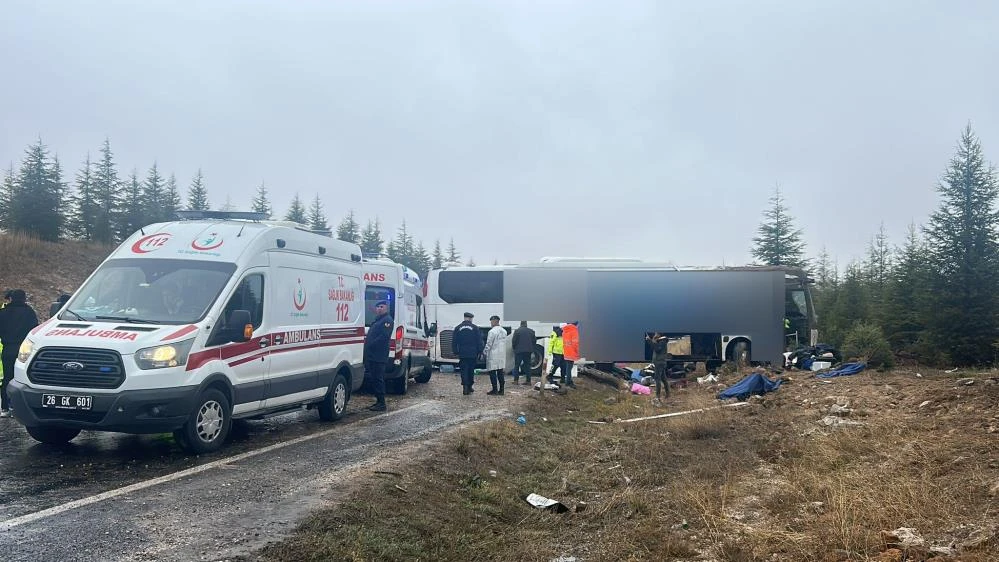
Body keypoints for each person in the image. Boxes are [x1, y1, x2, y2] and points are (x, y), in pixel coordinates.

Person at [0, 289, 38, 416]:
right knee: (23, 379)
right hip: (24, 351)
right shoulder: (29, 313)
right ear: (24, 299)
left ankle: (5, 408)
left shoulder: (2, 313)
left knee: (7, 378)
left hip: (8, 349)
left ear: (11, 299)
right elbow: (34, 332)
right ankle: (20, 408)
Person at [363, 300, 393, 411]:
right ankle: (378, 401)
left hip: (379, 355)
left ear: (386, 308)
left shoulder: (387, 321)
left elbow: (384, 337)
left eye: (382, 306)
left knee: (378, 378)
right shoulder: (377, 320)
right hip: (372, 355)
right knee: (374, 378)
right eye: (378, 307)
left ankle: (381, 403)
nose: (379, 308)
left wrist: (371, 344)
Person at [451, 312, 484, 395]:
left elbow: (454, 341)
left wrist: (455, 351)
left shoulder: (458, 328)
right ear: (470, 318)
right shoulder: (475, 328)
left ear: (464, 318)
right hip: (473, 353)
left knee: (464, 370)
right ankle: (469, 386)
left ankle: (465, 387)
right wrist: (480, 351)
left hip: (462, 352)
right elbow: (479, 340)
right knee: (471, 370)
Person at [484, 315, 508, 395]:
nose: (491, 323)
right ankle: (502, 390)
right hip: (501, 355)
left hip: (493, 355)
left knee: (492, 372)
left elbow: (489, 344)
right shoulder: (504, 331)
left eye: (491, 321)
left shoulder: (492, 332)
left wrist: (484, 352)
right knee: (500, 372)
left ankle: (494, 389)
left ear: (494, 321)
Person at [646, 332, 670, 403]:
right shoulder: (661, 341)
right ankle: (668, 394)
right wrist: (652, 341)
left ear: (659, 334)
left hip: (659, 363)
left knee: (657, 379)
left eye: (656, 333)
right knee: (664, 378)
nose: (655, 335)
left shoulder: (662, 341)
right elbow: (655, 346)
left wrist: (649, 341)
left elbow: (657, 349)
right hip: (660, 362)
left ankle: (658, 396)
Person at [511, 320, 536, 385]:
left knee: (517, 365)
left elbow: (514, 341)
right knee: (527, 366)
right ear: (526, 324)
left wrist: (514, 348)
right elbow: (534, 341)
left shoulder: (517, 331)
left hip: (519, 351)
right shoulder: (531, 331)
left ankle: (516, 381)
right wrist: (531, 349)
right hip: (528, 351)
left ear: (520, 324)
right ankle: (528, 381)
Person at [561, 321, 579, 388]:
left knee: (568, 367)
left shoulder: (564, 331)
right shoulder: (574, 331)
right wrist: (577, 351)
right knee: (569, 367)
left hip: (566, 351)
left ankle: (568, 381)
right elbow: (575, 343)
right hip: (572, 351)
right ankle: (568, 382)